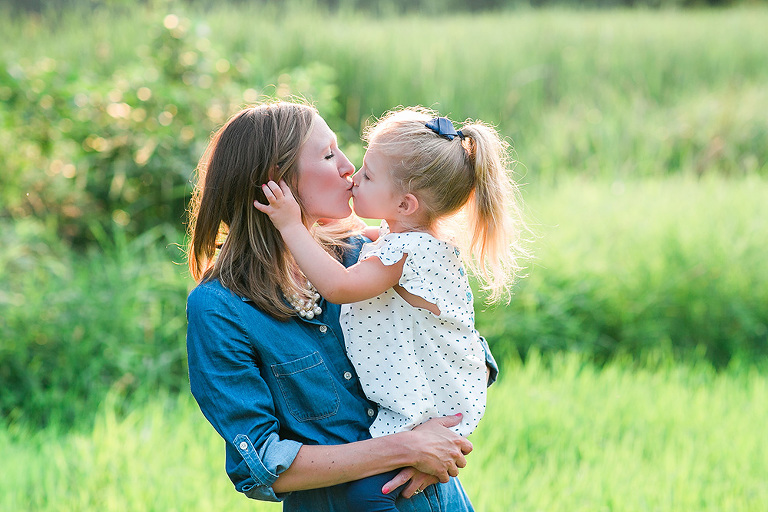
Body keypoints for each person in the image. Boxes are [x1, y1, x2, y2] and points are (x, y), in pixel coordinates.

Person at [185, 101, 501, 512]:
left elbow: (460, 353)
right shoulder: (221, 308)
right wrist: (406, 448)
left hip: (439, 499)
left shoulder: (362, 254)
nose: (349, 167)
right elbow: (261, 463)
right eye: (329, 154)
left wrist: (437, 451)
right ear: (274, 183)